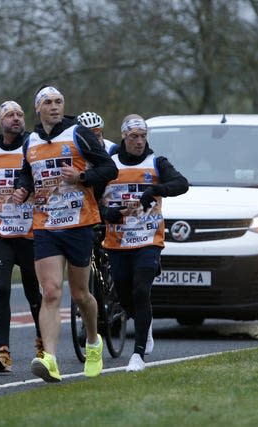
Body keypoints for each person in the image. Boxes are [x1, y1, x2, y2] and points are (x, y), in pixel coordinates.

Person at [12, 86, 118, 382]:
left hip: (79, 223)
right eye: (48, 102)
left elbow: (109, 169)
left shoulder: (78, 133)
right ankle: (50, 359)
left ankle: (94, 342)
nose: (55, 106)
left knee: (82, 294)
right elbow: (26, 171)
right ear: (38, 108)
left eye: (59, 101)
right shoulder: (30, 141)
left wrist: (82, 177)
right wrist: (23, 188)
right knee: (51, 291)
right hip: (46, 226)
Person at [98, 114, 188, 372]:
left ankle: (137, 355)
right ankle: (143, 323)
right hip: (117, 240)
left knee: (141, 290)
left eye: (143, 136)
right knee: (125, 296)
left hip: (149, 239)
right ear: (124, 137)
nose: (139, 141)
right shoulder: (110, 165)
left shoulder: (156, 162)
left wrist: (155, 190)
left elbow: (181, 184)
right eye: (134, 136)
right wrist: (107, 215)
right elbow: (92, 198)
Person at [0, 100, 43, 373]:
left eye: (19, 114)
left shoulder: (34, 145)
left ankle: (42, 343)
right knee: (2, 288)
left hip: (29, 231)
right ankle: (3, 352)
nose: (16, 118)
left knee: (32, 292)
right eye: (9, 115)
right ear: (0, 121)